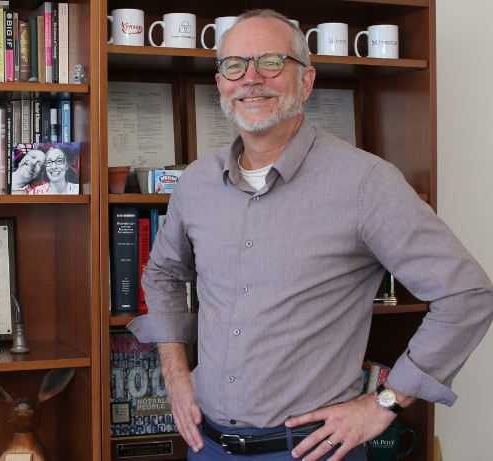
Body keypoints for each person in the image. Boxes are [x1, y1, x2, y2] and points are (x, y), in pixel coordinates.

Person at [128, 8, 493, 461]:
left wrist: (384, 403)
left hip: (311, 452)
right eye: (234, 65)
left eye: (271, 63)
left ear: (306, 80)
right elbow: (162, 274)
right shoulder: (196, 182)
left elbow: (468, 294)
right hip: (207, 446)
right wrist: (177, 376)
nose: (250, 78)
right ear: (221, 82)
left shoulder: (366, 182)